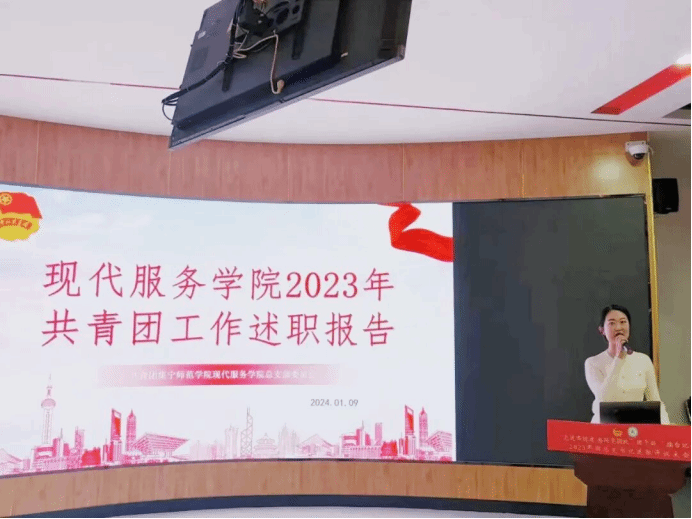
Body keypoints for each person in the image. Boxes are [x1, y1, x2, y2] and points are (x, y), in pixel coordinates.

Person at [584, 304, 670, 424]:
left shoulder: (643, 360)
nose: (618, 327)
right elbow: (604, 399)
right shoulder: (593, 363)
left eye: (623, 322)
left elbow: (655, 401)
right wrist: (618, 359)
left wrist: (667, 427)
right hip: (604, 426)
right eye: (612, 323)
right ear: (602, 330)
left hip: (636, 427)